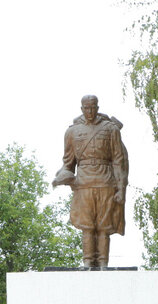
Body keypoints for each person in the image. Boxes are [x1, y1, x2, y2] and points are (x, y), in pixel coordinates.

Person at [52, 95, 129, 269]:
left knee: (104, 226)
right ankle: (87, 262)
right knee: (87, 226)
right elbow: (68, 163)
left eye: (93, 107)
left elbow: (118, 160)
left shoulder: (110, 129)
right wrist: (62, 177)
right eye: (86, 108)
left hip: (105, 181)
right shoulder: (72, 132)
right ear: (81, 109)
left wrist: (121, 188)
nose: (90, 111)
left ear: (97, 107)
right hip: (83, 183)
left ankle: (102, 263)